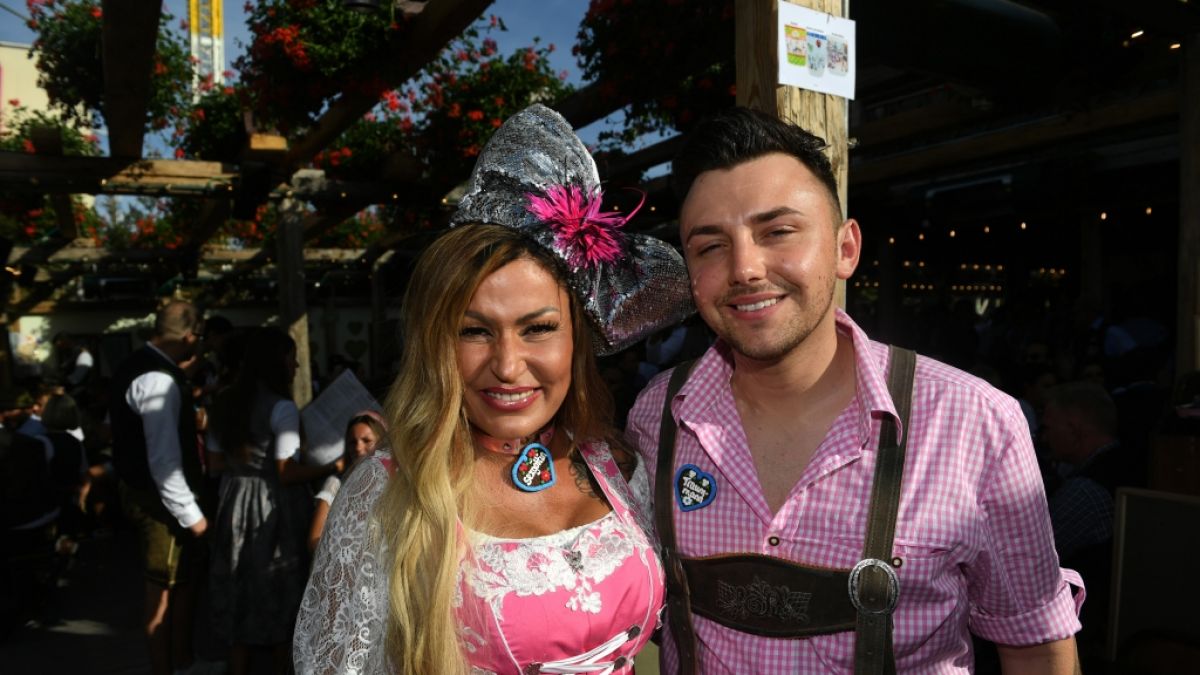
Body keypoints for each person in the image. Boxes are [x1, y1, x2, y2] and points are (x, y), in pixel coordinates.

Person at [625, 107, 1083, 673]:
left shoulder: (975, 421)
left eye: (778, 232)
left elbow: (1036, 647)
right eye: (710, 246)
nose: (744, 268)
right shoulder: (656, 415)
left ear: (846, 249)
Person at [294, 104, 693, 675]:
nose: (507, 366)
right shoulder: (387, 495)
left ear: (577, 339)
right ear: (437, 343)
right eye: (474, 331)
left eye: (538, 328)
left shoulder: (616, 463)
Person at [206, 326, 342, 675]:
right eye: (292, 359)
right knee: (280, 591)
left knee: (240, 586)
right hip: (273, 505)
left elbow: (215, 464)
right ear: (277, 361)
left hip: (233, 499)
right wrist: (332, 466)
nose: (295, 366)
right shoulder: (281, 407)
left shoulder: (223, 402)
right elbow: (285, 472)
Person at [109, 300, 207, 675]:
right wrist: (193, 517)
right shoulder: (158, 380)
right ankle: (166, 668)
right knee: (162, 590)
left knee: (179, 583)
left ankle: (181, 662)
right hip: (159, 504)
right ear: (190, 336)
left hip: (146, 493)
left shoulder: (140, 366)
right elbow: (164, 462)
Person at [307, 411, 386, 553]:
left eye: (367, 440)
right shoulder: (336, 484)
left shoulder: (395, 482)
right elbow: (314, 541)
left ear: (382, 442)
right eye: (352, 442)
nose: (358, 447)